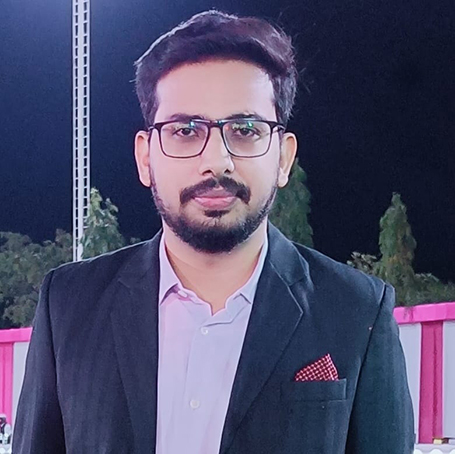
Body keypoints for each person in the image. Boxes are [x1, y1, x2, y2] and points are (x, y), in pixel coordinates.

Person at [13, 9, 414, 454]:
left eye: (245, 130)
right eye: (186, 131)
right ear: (146, 158)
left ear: (283, 158)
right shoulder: (70, 304)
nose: (217, 161)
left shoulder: (356, 312)